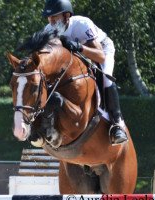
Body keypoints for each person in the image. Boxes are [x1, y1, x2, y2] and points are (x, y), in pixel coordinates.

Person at [42, 0, 128, 145]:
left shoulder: (82, 24)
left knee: (106, 79)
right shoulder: (48, 31)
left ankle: (117, 123)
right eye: (49, 18)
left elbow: (99, 56)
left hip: (102, 49)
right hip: (75, 59)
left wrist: (78, 47)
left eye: (54, 18)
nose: (51, 22)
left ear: (66, 16)